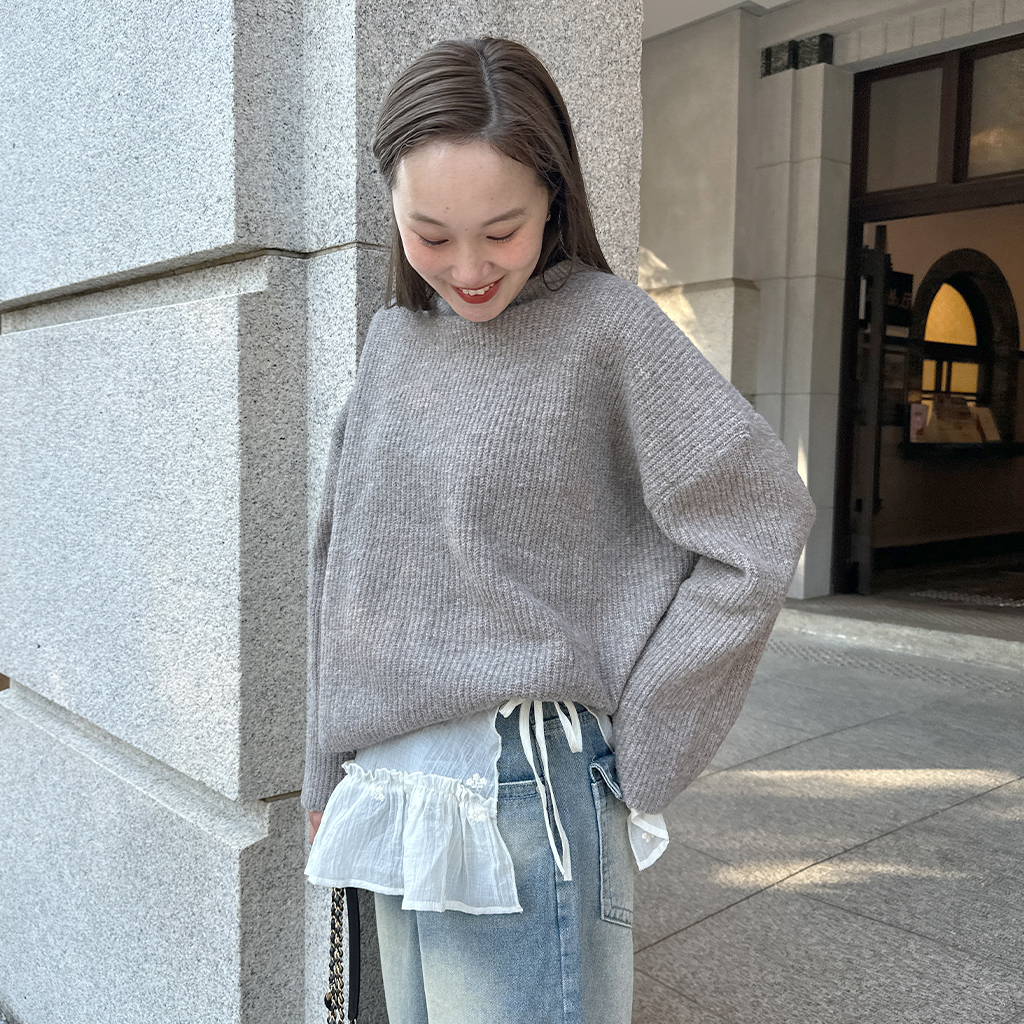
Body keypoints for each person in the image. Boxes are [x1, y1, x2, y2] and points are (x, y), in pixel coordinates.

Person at [301, 36, 815, 1024]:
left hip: (524, 788)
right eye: (429, 233)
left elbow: (759, 516)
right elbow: (343, 562)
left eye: (502, 229)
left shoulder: (603, 327)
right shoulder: (393, 341)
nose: (467, 267)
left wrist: (648, 739)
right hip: (392, 787)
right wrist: (327, 768)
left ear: (553, 197)